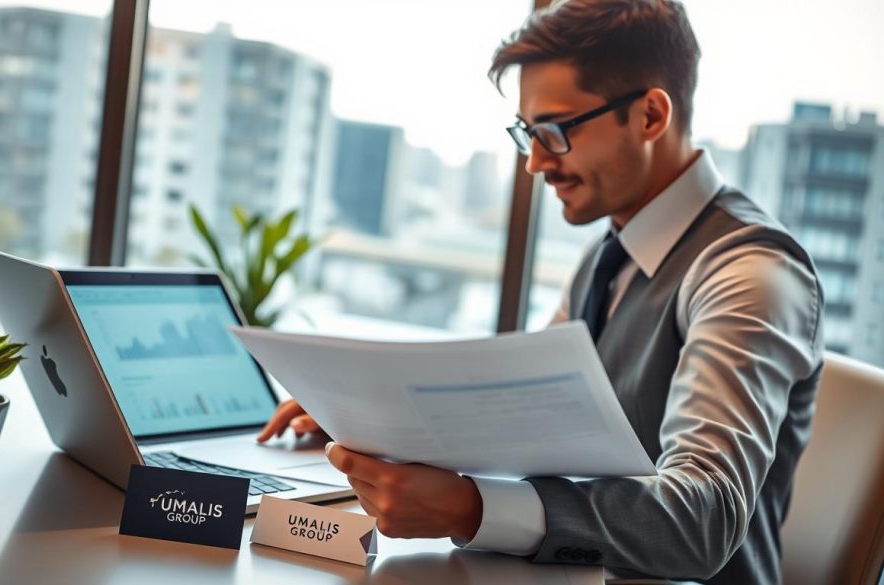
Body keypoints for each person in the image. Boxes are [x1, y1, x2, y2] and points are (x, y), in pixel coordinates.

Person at [259, 0, 824, 582]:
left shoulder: (748, 274)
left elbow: (702, 519)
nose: (534, 162)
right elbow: (522, 419)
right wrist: (375, 420)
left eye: (555, 131)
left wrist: (469, 507)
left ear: (651, 116)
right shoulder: (608, 257)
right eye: (528, 133)